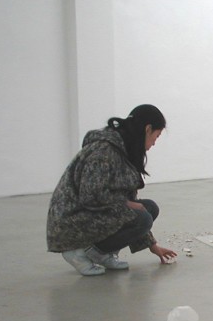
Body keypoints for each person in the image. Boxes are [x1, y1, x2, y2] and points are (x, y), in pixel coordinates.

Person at [46, 104, 178, 276]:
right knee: (141, 215)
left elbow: (128, 196)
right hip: (72, 221)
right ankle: (80, 253)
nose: (154, 143)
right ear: (148, 129)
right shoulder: (104, 151)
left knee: (149, 208)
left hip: (89, 214)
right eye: (156, 136)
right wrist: (127, 204)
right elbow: (90, 195)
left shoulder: (123, 149)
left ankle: (101, 253)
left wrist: (152, 245)